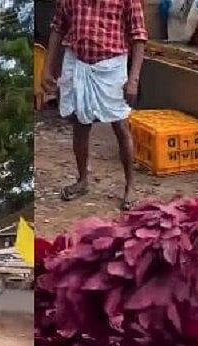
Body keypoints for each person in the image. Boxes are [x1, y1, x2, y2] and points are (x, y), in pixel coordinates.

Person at [41, 0, 148, 210]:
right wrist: (47, 68)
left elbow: (138, 36)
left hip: (112, 65)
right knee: (80, 122)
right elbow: (57, 28)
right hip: (77, 61)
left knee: (120, 125)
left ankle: (130, 186)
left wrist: (133, 79)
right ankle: (82, 181)